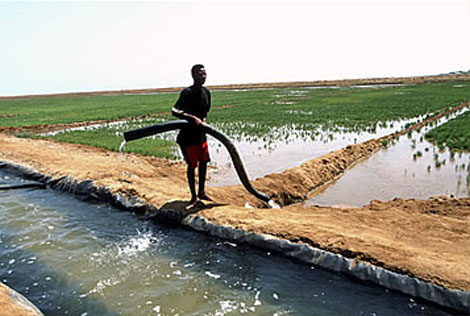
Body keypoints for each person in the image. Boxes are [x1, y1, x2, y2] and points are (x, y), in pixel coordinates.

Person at [172, 64, 212, 204]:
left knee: (204, 162)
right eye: (200, 74)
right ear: (193, 75)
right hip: (188, 137)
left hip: (201, 135)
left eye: (205, 74)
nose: (203, 76)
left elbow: (205, 113)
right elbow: (175, 110)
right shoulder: (187, 93)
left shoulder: (206, 93)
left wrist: (203, 122)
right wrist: (191, 118)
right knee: (192, 165)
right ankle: (193, 196)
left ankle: (202, 192)